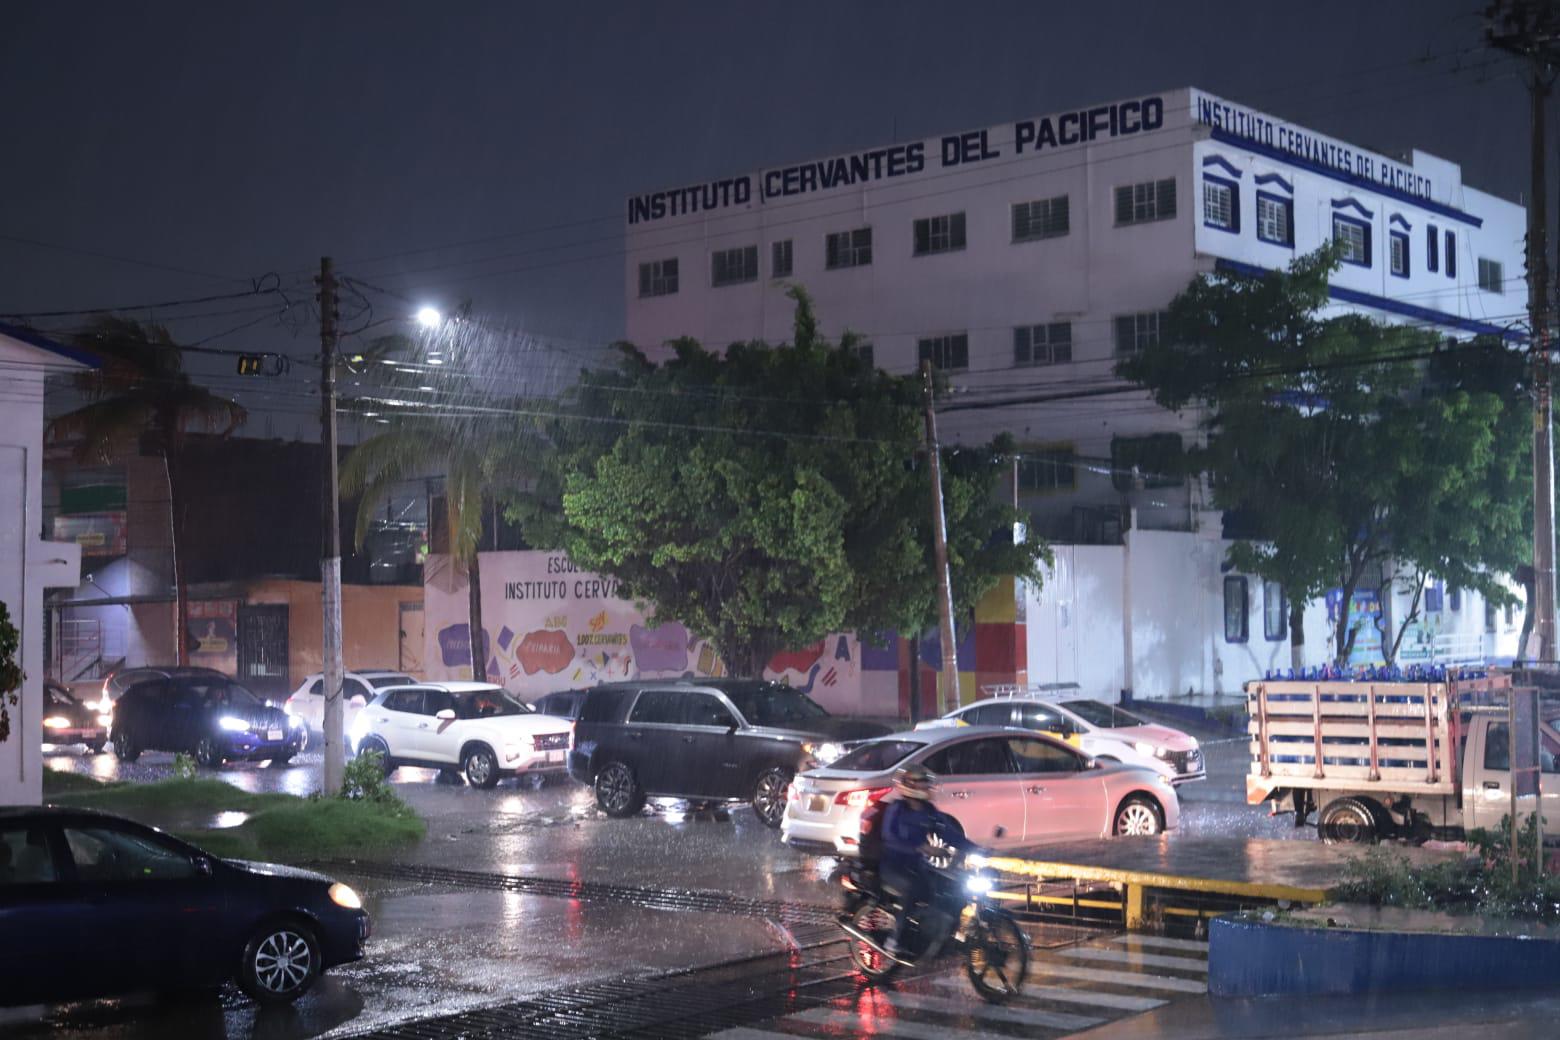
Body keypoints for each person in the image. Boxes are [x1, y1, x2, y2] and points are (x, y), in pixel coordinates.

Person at [876, 764, 973, 960]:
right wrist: (919, 848)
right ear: (910, 785)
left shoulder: (930, 811)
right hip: (892, 866)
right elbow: (889, 837)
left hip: (918, 866)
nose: (926, 788)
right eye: (922, 783)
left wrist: (978, 849)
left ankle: (936, 936)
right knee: (913, 889)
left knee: (950, 888)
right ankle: (894, 941)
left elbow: (950, 835)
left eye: (926, 783)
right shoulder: (897, 809)